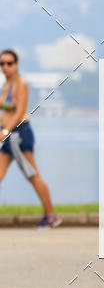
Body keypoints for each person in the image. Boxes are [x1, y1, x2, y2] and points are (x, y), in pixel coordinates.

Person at [0, 49, 62, 228]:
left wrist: (5, 132)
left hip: (18, 135)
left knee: (33, 175)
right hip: (8, 134)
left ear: (16, 65)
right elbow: (6, 111)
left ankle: (51, 216)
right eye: (2, 63)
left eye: (9, 63)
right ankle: (50, 215)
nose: (5, 67)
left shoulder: (20, 84)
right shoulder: (7, 85)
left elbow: (19, 112)